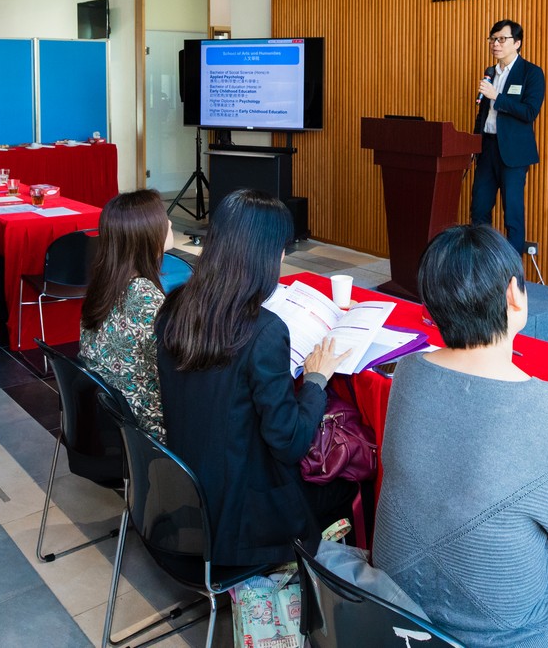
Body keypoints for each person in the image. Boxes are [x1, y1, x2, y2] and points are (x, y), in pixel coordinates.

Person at [373, 225, 548, 648]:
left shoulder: (407, 373)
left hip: (396, 619)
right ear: (515, 294)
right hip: (504, 638)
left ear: (430, 307)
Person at [154, 189, 354, 568]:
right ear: (266, 254)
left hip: (184, 501)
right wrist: (314, 380)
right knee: (346, 480)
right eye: (282, 248)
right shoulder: (263, 331)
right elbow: (290, 442)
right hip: (241, 526)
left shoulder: (176, 303)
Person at [79, 189, 172, 437]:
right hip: (144, 429)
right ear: (148, 235)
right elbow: (175, 366)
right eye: (165, 219)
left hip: (105, 422)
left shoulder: (105, 284)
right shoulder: (144, 296)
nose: (170, 223)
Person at [471, 19, 545, 256]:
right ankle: (484, 266)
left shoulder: (531, 73)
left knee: (512, 213)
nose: (495, 44)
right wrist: (473, 144)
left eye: (502, 39)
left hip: (513, 154)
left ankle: (511, 273)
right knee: (479, 209)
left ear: (517, 43)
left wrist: (498, 96)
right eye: (492, 39)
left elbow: (529, 112)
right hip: (487, 149)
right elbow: (482, 113)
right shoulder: (490, 72)